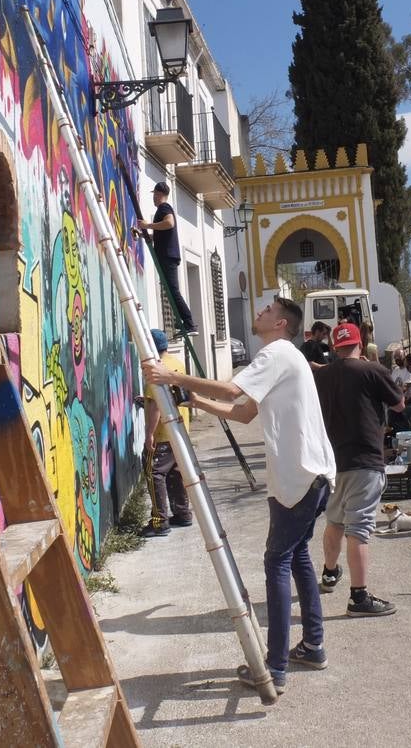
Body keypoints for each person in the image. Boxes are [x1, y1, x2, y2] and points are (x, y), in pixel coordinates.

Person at [143, 295, 335, 695]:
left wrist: (173, 377)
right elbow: (244, 412)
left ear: (281, 324)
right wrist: (195, 400)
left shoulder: (276, 352)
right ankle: (312, 645)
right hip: (312, 475)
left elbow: (232, 391)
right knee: (297, 556)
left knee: (277, 562)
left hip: (299, 477)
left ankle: (275, 668)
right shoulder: (287, 358)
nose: (259, 312)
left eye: (267, 311)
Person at [313, 322, 405, 618]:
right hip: (365, 458)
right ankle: (359, 597)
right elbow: (400, 405)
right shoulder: (372, 370)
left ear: (335, 347)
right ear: (360, 344)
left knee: (335, 520)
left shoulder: (323, 375)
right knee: (359, 529)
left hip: (332, 461)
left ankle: (329, 574)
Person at [141, 329, 192, 538]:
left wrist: (149, 434)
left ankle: (159, 522)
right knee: (175, 473)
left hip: (163, 433)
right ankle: (182, 513)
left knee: (154, 473)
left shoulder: (155, 369)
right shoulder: (176, 364)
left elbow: (156, 406)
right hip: (180, 431)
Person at [135, 181, 195, 333]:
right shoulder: (162, 209)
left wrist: (147, 225)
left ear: (158, 193)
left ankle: (189, 323)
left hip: (167, 256)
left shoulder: (164, 208)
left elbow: (169, 223)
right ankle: (184, 321)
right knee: (171, 290)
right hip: (167, 255)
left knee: (173, 290)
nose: (153, 198)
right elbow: (160, 235)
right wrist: (143, 234)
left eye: (154, 194)